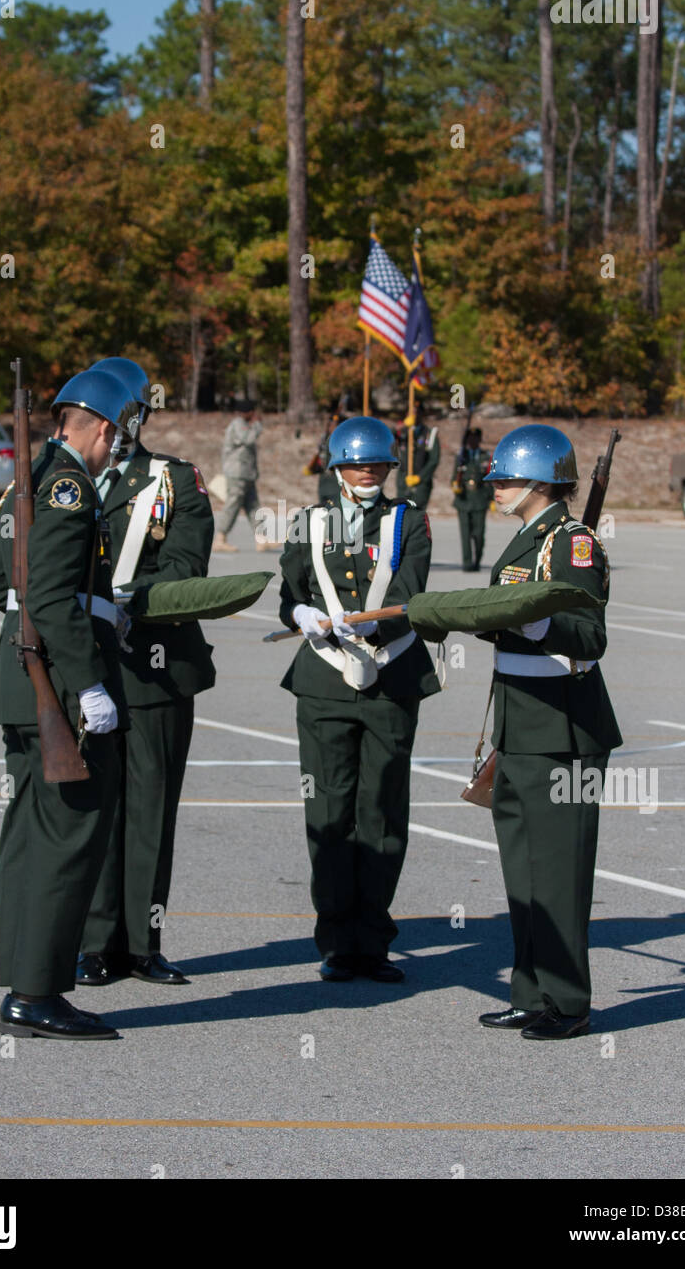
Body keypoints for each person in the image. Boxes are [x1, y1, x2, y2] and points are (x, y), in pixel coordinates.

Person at [0, 369, 141, 1040]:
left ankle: (26, 985)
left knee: (32, 841)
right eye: (117, 436)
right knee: (66, 843)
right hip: (59, 689)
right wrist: (88, 678)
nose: (115, 449)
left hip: (23, 677)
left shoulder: (26, 482)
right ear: (101, 426)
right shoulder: (69, 487)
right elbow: (47, 596)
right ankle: (36, 993)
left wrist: (95, 612)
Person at [278, 416, 441, 982]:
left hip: (392, 676)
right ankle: (335, 940)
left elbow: (410, 592)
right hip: (323, 680)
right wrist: (301, 615)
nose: (368, 473)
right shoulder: (307, 522)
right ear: (337, 469)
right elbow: (290, 594)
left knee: (381, 810)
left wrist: (368, 629)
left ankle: (371, 940)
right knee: (328, 809)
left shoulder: (408, 521)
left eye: (378, 465)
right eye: (356, 464)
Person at [474, 424, 622, 1040]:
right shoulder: (528, 540)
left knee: (558, 873)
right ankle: (530, 991)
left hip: (563, 730)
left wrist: (534, 624)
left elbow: (589, 637)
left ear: (539, 480)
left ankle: (568, 1003)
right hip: (521, 721)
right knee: (524, 870)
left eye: (505, 479)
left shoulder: (574, 543)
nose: (497, 489)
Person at [75, 357, 216, 987]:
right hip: (85, 668)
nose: (120, 425)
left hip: (156, 669)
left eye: (129, 414)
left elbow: (187, 564)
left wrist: (127, 601)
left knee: (152, 811)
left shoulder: (174, 480)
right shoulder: (65, 480)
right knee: (95, 808)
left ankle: (142, 943)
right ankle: (98, 942)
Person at [213, 400, 277, 552]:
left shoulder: (244, 424)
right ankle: (220, 539)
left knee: (253, 506)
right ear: (247, 412)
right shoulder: (238, 423)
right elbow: (247, 439)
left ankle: (262, 539)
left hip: (246, 474)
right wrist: (257, 425)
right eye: (252, 412)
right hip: (237, 473)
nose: (255, 415)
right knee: (232, 505)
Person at [452, 427, 492, 571]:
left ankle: (477, 560)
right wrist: (455, 486)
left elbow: (489, 479)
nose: (473, 440)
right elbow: (454, 477)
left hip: (480, 499)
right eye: (470, 438)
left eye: (476, 438)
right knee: (465, 533)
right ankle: (467, 563)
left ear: (479, 439)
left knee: (478, 534)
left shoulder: (485, 457)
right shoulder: (462, 456)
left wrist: (492, 499)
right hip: (463, 499)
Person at [393, 402, 440, 511]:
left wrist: (420, 477)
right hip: (403, 482)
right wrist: (402, 426)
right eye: (411, 412)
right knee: (401, 517)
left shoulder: (428, 434)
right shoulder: (401, 432)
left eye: (416, 412)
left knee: (417, 517)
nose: (414, 415)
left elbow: (434, 459)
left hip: (421, 485)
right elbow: (387, 440)